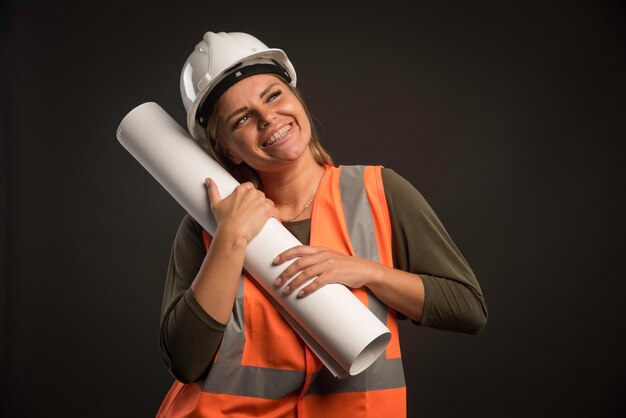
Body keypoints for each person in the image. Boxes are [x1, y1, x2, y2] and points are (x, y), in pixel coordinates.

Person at [156, 31, 487, 418]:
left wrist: (367, 273)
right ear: (225, 147)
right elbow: (184, 361)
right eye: (242, 118)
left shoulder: (378, 193)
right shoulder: (208, 222)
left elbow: (468, 309)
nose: (268, 119)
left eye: (273, 95)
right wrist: (230, 237)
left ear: (295, 96)